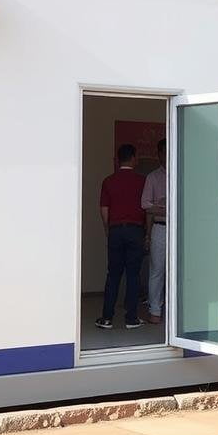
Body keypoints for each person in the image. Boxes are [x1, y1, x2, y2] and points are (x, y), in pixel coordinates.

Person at [97, 144, 145, 330]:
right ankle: (131, 318)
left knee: (113, 274)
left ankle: (107, 318)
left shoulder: (108, 181)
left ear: (117, 160)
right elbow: (146, 207)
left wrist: (107, 229)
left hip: (116, 230)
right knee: (133, 275)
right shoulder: (142, 181)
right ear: (133, 158)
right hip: (135, 231)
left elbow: (104, 209)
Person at [141, 139, 167, 324]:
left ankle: (178, 313)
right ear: (159, 154)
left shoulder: (184, 172)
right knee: (157, 270)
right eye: (164, 152)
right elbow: (145, 205)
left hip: (181, 229)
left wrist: (159, 206)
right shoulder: (153, 177)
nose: (167, 155)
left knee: (180, 272)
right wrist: (165, 208)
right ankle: (155, 310)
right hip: (160, 227)